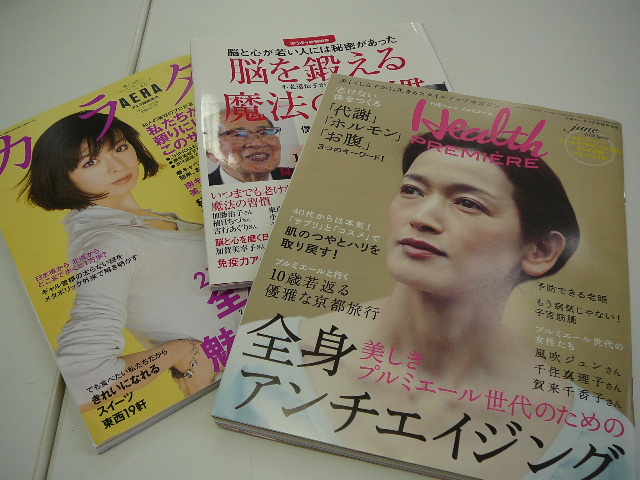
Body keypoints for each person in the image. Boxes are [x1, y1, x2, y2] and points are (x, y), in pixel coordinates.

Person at [217, 131, 635, 479]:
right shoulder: (262, 354)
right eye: (411, 190)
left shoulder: (596, 439)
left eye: (468, 202)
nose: (422, 217)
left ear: (540, 250)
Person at [19, 111, 242, 410]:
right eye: (90, 162)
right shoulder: (107, 243)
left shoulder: (150, 220)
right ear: (63, 177)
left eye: (120, 147)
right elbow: (85, 381)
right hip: (243, 386)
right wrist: (179, 352)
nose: (117, 166)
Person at [203, 109, 292, 185]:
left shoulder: (297, 176)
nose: (257, 143)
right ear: (211, 152)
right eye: (239, 134)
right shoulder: (201, 189)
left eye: (265, 133)